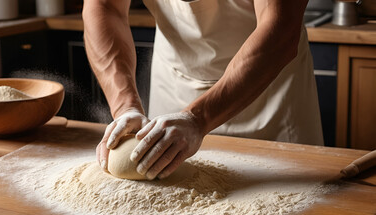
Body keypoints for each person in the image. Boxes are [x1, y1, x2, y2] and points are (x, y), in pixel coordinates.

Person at [82, 0, 323, 180]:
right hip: (175, 81)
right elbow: (104, 7)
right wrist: (125, 106)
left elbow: (280, 27)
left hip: (269, 88)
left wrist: (197, 118)